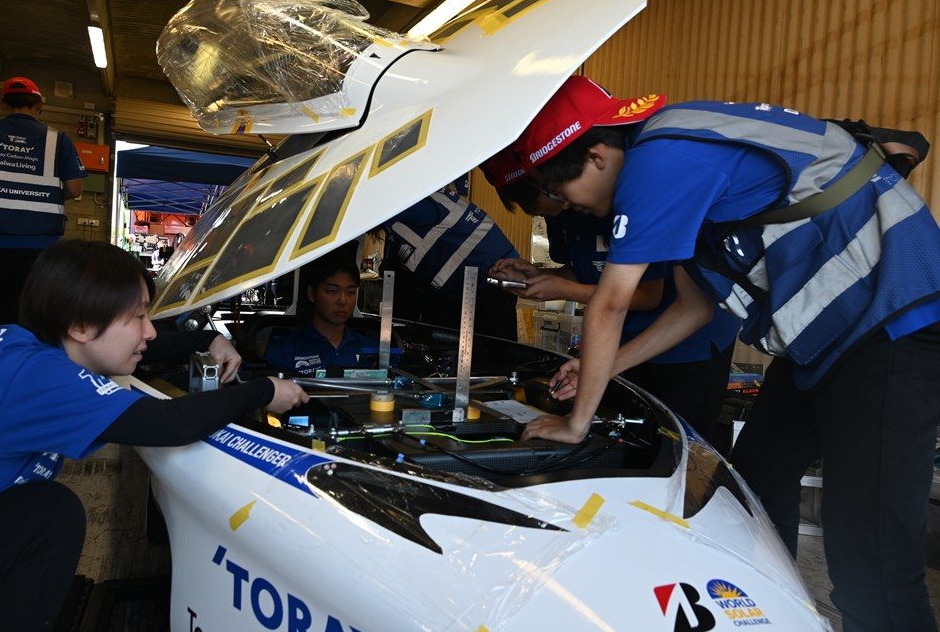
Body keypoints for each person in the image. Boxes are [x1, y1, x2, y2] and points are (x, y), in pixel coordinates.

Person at [515, 75, 940, 631]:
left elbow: (610, 304)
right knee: (756, 485)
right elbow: (693, 308)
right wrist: (603, 366)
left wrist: (577, 424)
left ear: (596, 157)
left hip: (891, 326)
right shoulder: (681, 164)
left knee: (871, 552)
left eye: (567, 196)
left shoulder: (660, 160)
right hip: (826, 340)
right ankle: (777, 616)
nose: (579, 212)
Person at [0, 239, 308, 632]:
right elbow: (170, 423)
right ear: (81, 325)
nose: (150, 331)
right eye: (137, 317)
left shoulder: (12, 342)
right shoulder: (38, 379)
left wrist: (206, 340)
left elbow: (131, 350)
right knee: (50, 515)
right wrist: (265, 390)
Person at [481, 149, 739, 444]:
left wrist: (562, 290)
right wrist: (538, 277)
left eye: (530, 201)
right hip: (628, 341)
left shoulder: (624, 201)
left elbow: (646, 296)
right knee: (632, 437)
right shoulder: (567, 214)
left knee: (679, 445)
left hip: (687, 345)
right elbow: (589, 272)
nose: (530, 212)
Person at [0, 77, 87, 326]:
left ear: (4, 104)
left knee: (4, 300)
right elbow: (74, 187)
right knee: (34, 303)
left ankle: (2, 356)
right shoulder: (57, 140)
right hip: (41, 239)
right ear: (39, 105)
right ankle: (29, 358)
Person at [380, 188, 519, 340]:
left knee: (494, 353)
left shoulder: (406, 202)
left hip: (489, 278)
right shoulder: (408, 207)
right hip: (472, 281)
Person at [264, 256, 378, 376]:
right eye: (332, 291)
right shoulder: (284, 351)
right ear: (311, 293)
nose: (343, 300)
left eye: (351, 292)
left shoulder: (371, 348)